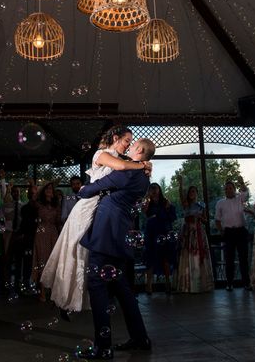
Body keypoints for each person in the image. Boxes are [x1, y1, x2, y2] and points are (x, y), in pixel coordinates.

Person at [41, 125, 152, 312]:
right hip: (88, 206)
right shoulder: (102, 154)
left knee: (89, 257)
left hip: (102, 209)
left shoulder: (124, 159)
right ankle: (65, 299)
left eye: (131, 143)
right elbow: (123, 167)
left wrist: (145, 165)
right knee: (76, 250)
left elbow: (128, 170)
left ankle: (82, 298)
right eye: (126, 141)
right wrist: (143, 164)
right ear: (115, 138)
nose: (128, 145)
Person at [76, 138, 156, 360]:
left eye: (132, 145)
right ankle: (140, 338)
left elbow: (91, 190)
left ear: (139, 150)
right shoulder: (143, 177)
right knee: (122, 289)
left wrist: (83, 188)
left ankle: (103, 348)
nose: (128, 147)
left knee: (97, 285)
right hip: (120, 236)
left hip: (106, 236)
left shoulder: (128, 172)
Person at [175, 176, 214, 293]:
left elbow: (206, 220)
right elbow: (181, 195)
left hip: (198, 231)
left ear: (197, 193)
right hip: (188, 232)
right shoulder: (186, 204)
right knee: (187, 255)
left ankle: (200, 284)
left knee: (199, 255)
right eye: (190, 191)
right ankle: (187, 284)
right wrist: (181, 184)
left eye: (194, 191)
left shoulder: (202, 205)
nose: (192, 193)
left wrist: (200, 217)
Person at [215, 178, 251, 291]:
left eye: (230, 188)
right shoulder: (220, 203)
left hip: (240, 231)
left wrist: (241, 183)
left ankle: (246, 283)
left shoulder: (240, 198)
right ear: (224, 191)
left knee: (243, 259)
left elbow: (246, 193)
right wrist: (222, 231)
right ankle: (229, 283)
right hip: (228, 233)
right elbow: (217, 219)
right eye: (226, 189)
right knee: (229, 259)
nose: (228, 190)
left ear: (234, 189)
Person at [142, 183, 177, 294]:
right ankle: (149, 286)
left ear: (159, 190)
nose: (153, 191)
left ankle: (168, 283)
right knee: (150, 258)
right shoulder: (148, 203)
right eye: (151, 189)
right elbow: (145, 214)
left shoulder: (165, 202)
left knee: (165, 258)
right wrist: (146, 204)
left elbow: (172, 217)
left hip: (163, 231)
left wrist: (166, 210)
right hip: (151, 233)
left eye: (155, 188)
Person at [32, 182, 62, 301]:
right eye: (47, 189)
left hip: (53, 232)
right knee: (42, 260)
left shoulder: (57, 205)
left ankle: (53, 291)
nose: (49, 190)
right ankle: (43, 291)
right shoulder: (39, 204)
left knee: (53, 261)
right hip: (41, 232)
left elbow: (58, 221)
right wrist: (39, 188)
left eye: (51, 189)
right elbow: (33, 200)